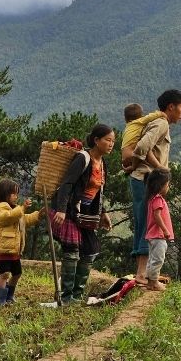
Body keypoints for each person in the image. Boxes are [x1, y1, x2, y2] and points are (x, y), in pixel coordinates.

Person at [49, 124, 114, 304]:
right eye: (108, 140)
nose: (111, 144)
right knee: (72, 251)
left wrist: (103, 212)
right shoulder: (83, 158)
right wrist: (61, 210)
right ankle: (66, 297)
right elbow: (67, 184)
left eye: (113, 141)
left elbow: (99, 191)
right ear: (96, 140)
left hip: (86, 215)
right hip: (70, 210)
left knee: (90, 250)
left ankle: (76, 297)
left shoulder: (102, 163)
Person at [128, 89, 181, 284]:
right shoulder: (161, 123)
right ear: (171, 107)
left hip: (145, 179)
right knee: (147, 223)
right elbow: (142, 147)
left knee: (146, 222)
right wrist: (161, 168)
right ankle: (141, 273)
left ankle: (147, 271)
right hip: (145, 180)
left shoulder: (161, 124)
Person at [0, 178, 44, 305]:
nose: (16, 196)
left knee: (17, 273)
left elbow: (24, 220)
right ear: (5, 194)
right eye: (14, 193)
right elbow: (9, 216)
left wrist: (37, 215)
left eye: (17, 194)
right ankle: (1, 300)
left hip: (14, 249)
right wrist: (22, 208)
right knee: (5, 274)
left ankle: (9, 296)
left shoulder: (14, 210)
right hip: (3, 249)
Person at [144, 170, 174, 291]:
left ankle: (150, 281)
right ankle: (154, 282)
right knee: (158, 259)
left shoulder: (153, 199)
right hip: (158, 236)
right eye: (167, 184)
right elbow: (157, 216)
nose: (168, 187)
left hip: (154, 235)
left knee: (152, 258)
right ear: (160, 186)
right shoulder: (158, 200)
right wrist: (165, 230)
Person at [120, 103, 165, 175]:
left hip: (124, 155)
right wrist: (161, 113)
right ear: (141, 116)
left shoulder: (128, 127)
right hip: (131, 153)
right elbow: (150, 117)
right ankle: (159, 167)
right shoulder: (138, 122)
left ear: (125, 119)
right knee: (146, 151)